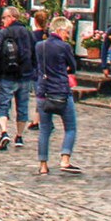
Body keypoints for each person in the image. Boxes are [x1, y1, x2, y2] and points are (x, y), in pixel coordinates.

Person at [35, 16, 81, 175]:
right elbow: (73, 66)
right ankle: (65, 159)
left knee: (44, 129)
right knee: (71, 128)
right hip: (61, 92)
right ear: (60, 30)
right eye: (67, 32)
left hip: (43, 92)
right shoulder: (64, 47)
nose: (68, 36)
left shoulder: (39, 46)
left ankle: (43, 165)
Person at [0, 6, 35, 150]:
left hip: (7, 75)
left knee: (3, 106)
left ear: (12, 17)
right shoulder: (28, 33)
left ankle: (4, 132)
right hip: (25, 76)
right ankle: (19, 136)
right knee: (22, 107)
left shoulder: (3, 33)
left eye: (4, 18)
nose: (2, 20)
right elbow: (35, 53)